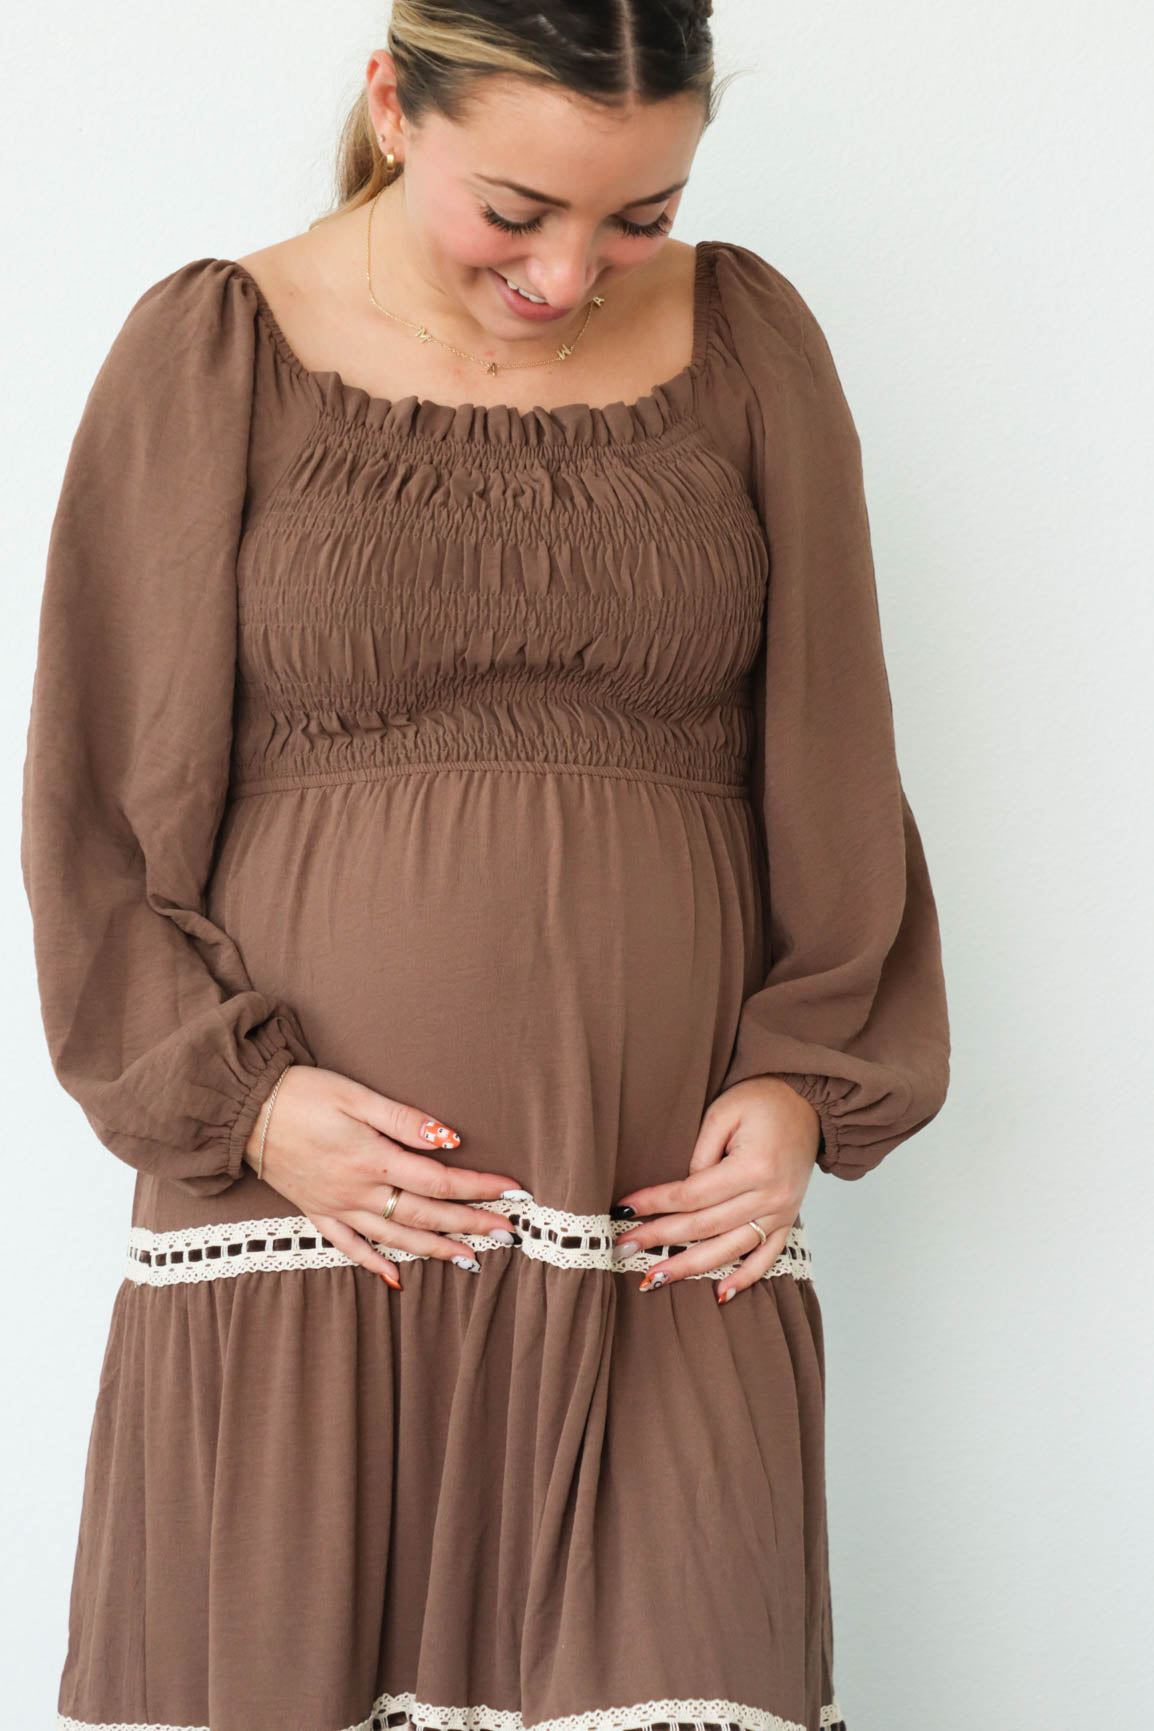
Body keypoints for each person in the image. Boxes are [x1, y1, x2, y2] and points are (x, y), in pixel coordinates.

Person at [20, 3, 951, 1728]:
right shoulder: (215, 344)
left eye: (637, 216)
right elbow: (93, 807)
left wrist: (809, 1082)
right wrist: (241, 1105)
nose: (566, 270)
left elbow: (834, 750)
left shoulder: (745, 340)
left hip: (664, 1241)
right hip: (311, 1239)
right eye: (515, 209)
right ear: (393, 103)